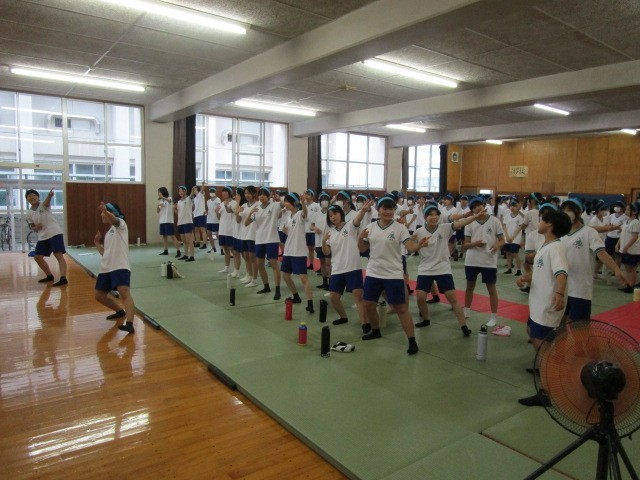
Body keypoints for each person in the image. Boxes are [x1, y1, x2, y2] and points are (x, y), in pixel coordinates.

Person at [516, 209, 572, 406]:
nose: (537, 223)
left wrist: (559, 294)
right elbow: (540, 270)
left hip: (547, 306)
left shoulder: (557, 248)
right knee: (531, 332)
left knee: (544, 348)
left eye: (541, 220)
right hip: (537, 304)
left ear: (549, 224)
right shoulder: (545, 245)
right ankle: (544, 366)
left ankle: (547, 392)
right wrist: (525, 277)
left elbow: (561, 273)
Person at [357, 196, 419, 355]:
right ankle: (375, 330)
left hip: (393, 274)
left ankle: (412, 341)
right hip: (374, 272)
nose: (388, 211)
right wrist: (360, 238)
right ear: (378, 210)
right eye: (385, 208)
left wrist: (419, 245)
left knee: (401, 308)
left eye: (391, 209)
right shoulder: (370, 227)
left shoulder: (400, 228)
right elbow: (363, 249)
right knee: (368, 304)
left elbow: (410, 247)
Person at [413, 204, 482, 335]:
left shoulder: (444, 228)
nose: (434, 217)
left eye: (436, 214)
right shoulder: (419, 232)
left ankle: (464, 326)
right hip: (425, 269)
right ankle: (426, 319)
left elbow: (461, 222)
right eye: (430, 215)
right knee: (420, 297)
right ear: (425, 217)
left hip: (442, 268)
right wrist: (419, 245)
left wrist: (475, 217)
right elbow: (410, 245)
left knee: (453, 299)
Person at [560, 198, 627, 322]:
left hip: (580, 290)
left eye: (569, 210)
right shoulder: (561, 233)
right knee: (560, 324)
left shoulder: (589, 232)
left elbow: (601, 253)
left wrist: (616, 269)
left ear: (579, 212)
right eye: (563, 210)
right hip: (561, 288)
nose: (566, 213)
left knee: (580, 327)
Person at [322, 202, 371, 331]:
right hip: (337, 269)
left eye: (335, 214)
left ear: (341, 214)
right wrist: (323, 241)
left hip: (353, 267)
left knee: (358, 295)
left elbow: (357, 219)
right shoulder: (330, 233)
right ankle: (343, 317)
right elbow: (326, 252)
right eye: (330, 216)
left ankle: (365, 323)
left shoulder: (350, 226)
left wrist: (363, 210)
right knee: (333, 297)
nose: (333, 217)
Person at [93, 202, 136, 334]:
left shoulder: (121, 224)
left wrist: (106, 211)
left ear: (112, 212)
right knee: (99, 295)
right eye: (102, 212)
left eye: (104, 212)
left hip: (120, 266)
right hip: (106, 268)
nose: (102, 215)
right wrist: (97, 243)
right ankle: (119, 311)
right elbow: (105, 253)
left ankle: (130, 324)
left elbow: (115, 220)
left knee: (124, 292)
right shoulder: (108, 233)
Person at [462, 196, 505, 327]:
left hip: (488, 260)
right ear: (472, 210)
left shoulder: (495, 221)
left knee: (491, 289)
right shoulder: (469, 222)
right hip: (472, 260)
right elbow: (465, 244)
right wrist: (475, 243)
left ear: (484, 206)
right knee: (470, 286)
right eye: (474, 207)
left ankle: (493, 316)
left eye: (479, 205)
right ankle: (466, 310)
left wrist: (497, 245)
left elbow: (502, 240)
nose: (477, 208)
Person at [245, 186, 282, 300]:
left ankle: (277, 290)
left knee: (274, 264)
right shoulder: (257, 209)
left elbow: (283, 205)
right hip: (259, 239)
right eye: (260, 194)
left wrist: (279, 198)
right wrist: (251, 212)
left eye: (264, 194)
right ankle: (266, 286)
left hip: (271, 239)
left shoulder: (274, 205)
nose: (262, 196)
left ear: (269, 195)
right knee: (260, 264)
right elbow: (246, 223)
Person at [25, 188, 68, 286]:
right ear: (27, 199)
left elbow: (47, 202)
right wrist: (36, 227)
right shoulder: (29, 213)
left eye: (34, 195)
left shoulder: (43, 205)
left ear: (38, 197)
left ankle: (63, 278)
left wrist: (49, 196)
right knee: (37, 257)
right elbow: (32, 227)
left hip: (54, 233)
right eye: (29, 196)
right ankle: (49, 276)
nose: (32, 197)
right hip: (42, 236)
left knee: (58, 255)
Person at [281, 193, 314, 313]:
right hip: (288, 250)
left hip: (299, 251)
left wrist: (303, 203)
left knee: (303, 278)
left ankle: (310, 304)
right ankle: (296, 297)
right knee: (285, 276)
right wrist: (285, 231)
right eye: (285, 201)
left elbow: (305, 213)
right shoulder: (288, 216)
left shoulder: (300, 214)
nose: (285, 204)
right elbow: (288, 231)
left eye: (287, 201)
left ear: (294, 203)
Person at [616, 202, 640, 292]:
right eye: (626, 209)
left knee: (631, 268)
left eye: (628, 209)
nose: (626, 211)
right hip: (624, 248)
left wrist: (626, 247)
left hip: (632, 250)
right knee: (627, 268)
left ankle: (631, 286)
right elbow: (622, 234)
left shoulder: (635, 222)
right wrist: (617, 244)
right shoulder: (626, 221)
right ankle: (628, 284)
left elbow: (635, 237)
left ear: (635, 211)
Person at [217, 186, 237, 274]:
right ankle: (227, 267)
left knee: (233, 250)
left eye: (226, 191)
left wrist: (225, 205)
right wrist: (216, 211)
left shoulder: (234, 203)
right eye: (223, 192)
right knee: (225, 249)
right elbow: (219, 217)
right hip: (222, 229)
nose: (224, 193)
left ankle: (236, 269)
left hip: (230, 230)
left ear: (230, 193)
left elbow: (230, 211)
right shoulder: (221, 203)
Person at [157, 186, 181, 258]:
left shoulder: (169, 198)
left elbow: (169, 201)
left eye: (159, 192)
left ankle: (178, 251)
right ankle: (165, 250)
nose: (158, 194)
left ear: (162, 192)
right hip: (162, 221)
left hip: (168, 220)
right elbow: (158, 211)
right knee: (164, 236)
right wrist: (158, 205)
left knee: (172, 236)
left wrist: (162, 197)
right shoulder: (160, 201)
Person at [502, 199, 524, 275]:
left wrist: (513, 237)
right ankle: (509, 268)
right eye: (511, 206)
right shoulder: (507, 216)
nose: (512, 207)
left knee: (515, 254)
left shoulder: (520, 217)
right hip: (507, 238)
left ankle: (519, 270)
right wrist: (507, 236)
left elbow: (519, 228)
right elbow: (504, 226)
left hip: (515, 239)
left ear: (517, 207)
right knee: (508, 254)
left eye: (514, 206)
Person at [174, 185, 196, 261]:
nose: (180, 192)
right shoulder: (179, 202)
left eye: (181, 191)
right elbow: (178, 213)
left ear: (185, 191)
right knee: (183, 241)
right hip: (180, 223)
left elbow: (191, 195)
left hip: (187, 222)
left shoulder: (188, 199)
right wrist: (174, 209)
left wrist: (192, 190)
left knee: (189, 240)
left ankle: (192, 256)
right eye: (179, 191)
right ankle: (186, 255)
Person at [205, 187, 220, 253]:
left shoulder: (218, 199)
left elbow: (218, 208)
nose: (211, 193)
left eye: (213, 191)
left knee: (217, 234)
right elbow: (208, 209)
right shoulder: (208, 201)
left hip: (215, 220)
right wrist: (206, 212)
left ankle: (222, 248)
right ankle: (213, 247)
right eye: (210, 192)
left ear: (215, 192)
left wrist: (216, 210)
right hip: (209, 219)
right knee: (209, 234)